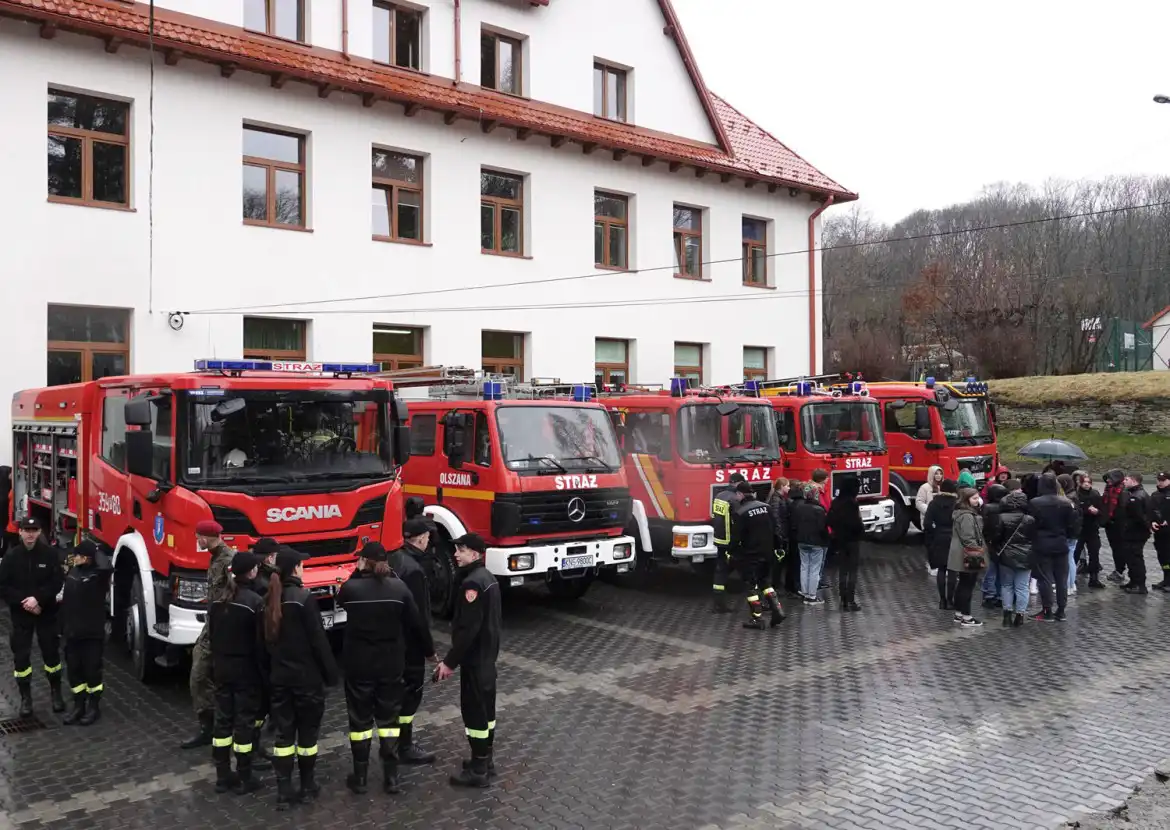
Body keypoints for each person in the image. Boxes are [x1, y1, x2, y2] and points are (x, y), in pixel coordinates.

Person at [337, 542, 435, 796]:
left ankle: (359, 778)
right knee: (389, 719)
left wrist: (358, 572)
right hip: (391, 665)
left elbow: (342, 598)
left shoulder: (351, 588)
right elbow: (418, 623)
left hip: (358, 665)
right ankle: (391, 778)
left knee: (359, 720)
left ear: (364, 562)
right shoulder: (399, 588)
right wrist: (430, 652)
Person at [264, 547, 339, 810]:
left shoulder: (270, 598)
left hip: (280, 681)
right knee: (307, 738)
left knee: (284, 737)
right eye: (301, 565)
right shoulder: (303, 599)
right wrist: (331, 675)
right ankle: (308, 786)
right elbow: (319, 642)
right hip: (306, 682)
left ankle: (284, 790)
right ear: (295, 568)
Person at [433, 533, 501, 788]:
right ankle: (486, 759)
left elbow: (468, 630)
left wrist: (449, 662)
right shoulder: (488, 578)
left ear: (475, 553)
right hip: (487, 659)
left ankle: (478, 769)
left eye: (461, 550)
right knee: (487, 712)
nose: (455, 554)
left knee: (474, 715)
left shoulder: (471, 584)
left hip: (474, 661)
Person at [208, 552, 267, 794]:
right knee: (244, 722)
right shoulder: (254, 603)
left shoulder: (218, 601)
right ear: (251, 572)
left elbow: (212, 637)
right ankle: (245, 776)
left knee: (222, 722)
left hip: (221, 669)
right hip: (245, 672)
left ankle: (223, 775)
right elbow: (260, 644)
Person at [0, 517, 66, 717]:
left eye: (34, 530)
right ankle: (25, 699)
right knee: (21, 658)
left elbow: (56, 582)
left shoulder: (50, 555)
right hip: (21, 615)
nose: (30, 534)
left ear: (39, 532)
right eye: (26, 530)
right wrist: (25, 603)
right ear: (19, 532)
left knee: (51, 655)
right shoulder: (11, 557)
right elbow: (3, 587)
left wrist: (38, 600)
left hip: (45, 613)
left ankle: (56, 694)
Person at [182, 520, 236, 750]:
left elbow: (238, 591)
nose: (197, 541)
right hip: (212, 626)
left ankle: (224, 727)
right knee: (199, 675)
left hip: (224, 628)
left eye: (198, 537)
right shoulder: (215, 557)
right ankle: (209, 727)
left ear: (206, 537)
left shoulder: (228, 560)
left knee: (207, 676)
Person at [391, 519, 437, 763]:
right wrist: (429, 650)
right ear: (420, 539)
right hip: (411, 646)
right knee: (411, 695)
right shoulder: (415, 571)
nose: (429, 542)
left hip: (394, 642)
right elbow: (418, 617)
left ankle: (394, 744)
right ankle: (404, 747)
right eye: (427, 538)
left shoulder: (395, 558)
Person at [61, 540, 111, 725]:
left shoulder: (98, 576)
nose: (75, 558)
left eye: (79, 555)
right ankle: (78, 706)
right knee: (74, 672)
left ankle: (93, 707)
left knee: (92, 672)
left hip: (91, 634)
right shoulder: (74, 573)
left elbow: (106, 566)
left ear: (88, 558)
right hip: (72, 633)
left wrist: (95, 550)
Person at [734, 482, 786, 629]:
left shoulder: (741, 512)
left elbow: (736, 537)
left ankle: (757, 619)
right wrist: (778, 547)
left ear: (740, 494)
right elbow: (776, 529)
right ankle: (778, 610)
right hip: (767, 553)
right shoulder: (766, 507)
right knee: (765, 582)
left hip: (750, 555)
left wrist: (731, 552)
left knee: (751, 586)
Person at [1030, 472, 1079, 620]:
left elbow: (1031, 524)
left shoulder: (1035, 502)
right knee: (1061, 578)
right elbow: (1072, 526)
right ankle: (1061, 610)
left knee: (1045, 578)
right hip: (1061, 542)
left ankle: (1047, 610)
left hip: (1042, 543)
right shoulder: (1066, 503)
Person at [987, 490, 1034, 627]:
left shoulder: (1001, 517)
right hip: (1025, 556)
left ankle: (1006, 615)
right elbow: (1033, 538)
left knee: (1006, 585)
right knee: (1022, 587)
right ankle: (1020, 615)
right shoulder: (1030, 519)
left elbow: (996, 537)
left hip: (1006, 555)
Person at [948, 488, 986, 627]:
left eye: (978, 498)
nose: (978, 501)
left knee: (963, 584)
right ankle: (967, 616)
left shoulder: (962, 513)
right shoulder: (967, 516)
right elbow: (968, 537)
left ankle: (959, 614)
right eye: (974, 498)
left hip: (960, 552)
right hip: (968, 553)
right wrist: (977, 552)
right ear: (966, 500)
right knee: (967, 585)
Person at [826, 476, 864, 612]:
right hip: (853, 540)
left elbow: (829, 520)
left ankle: (843, 600)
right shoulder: (853, 503)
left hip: (840, 539)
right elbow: (856, 523)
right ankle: (851, 600)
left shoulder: (836, 502)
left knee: (842, 570)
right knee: (852, 571)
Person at [711, 473, 747, 613]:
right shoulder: (734, 499)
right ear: (738, 483)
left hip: (719, 539)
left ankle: (718, 603)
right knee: (744, 570)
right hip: (731, 541)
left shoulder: (719, 496)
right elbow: (738, 521)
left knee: (720, 571)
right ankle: (756, 601)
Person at [792, 482, 829, 605]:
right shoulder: (819, 510)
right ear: (816, 495)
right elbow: (822, 528)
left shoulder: (799, 507)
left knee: (804, 566)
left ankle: (805, 592)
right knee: (814, 569)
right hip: (816, 543)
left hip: (801, 541)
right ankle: (812, 596)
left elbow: (794, 525)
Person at [924, 479, 959, 609]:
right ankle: (950, 600)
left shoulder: (934, 503)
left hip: (939, 537)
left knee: (941, 569)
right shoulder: (957, 504)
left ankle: (942, 600)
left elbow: (927, 524)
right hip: (954, 538)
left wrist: (933, 534)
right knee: (953, 570)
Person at [1118, 473, 1152, 595]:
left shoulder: (1136, 497)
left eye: (1126, 479)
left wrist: (1146, 528)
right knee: (1131, 557)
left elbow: (1139, 517)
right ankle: (1133, 582)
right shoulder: (1137, 493)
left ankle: (1140, 585)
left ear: (1134, 481)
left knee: (1135, 559)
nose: (1124, 482)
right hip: (1135, 532)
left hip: (1135, 533)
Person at [1073, 471, 1105, 590]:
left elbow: (1102, 511)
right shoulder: (1076, 495)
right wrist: (1087, 510)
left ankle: (1094, 578)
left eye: (1089, 482)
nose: (1087, 484)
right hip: (1080, 529)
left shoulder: (1095, 494)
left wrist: (1097, 512)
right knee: (1075, 554)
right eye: (1084, 482)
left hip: (1092, 529)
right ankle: (1071, 577)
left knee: (1094, 554)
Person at [980, 484, 1008, 608]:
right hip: (1003, 543)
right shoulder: (1006, 508)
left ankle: (989, 595)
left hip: (989, 542)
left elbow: (983, 526)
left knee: (990, 570)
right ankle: (1000, 596)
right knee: (1001, 571)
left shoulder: (987, 507)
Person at [916, 465, 944, 574]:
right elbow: (918, 502)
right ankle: (931, 565)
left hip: (940, 521)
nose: (938, 476)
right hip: (929, 521)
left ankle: (937, 564)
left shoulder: (942, 487)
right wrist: (930, 511)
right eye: (936, 473)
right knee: (930, 544)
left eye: (940, 473)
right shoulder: (925, 487)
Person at [1056, 473, 1081, 597]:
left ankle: (1068, 585)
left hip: (1069, 533)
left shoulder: (1069, 499)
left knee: (1068, 559)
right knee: (1069, 558)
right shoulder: (1072, 495)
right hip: (1073, 533)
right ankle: (1071, 584)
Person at [1101, 469, 1126, 583]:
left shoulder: (1122, 491)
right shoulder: (1109, 489)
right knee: (1115, 548)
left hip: (1119, 524)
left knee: (1119, 548)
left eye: (1110, 478)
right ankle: (1118, 569)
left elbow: (1123, 509)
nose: (1108, 481)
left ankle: (1120, 570)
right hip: (1110, 523)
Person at [767, 478, 791, 592]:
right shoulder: (776, 499)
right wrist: (780, 535)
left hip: (779, 533)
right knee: (778, 560)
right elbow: (776, 518)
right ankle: (776, 583)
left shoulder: (778, 498)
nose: (789, 488)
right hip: (779, 535)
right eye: (787, 486)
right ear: (781, 486)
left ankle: (776, 582)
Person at [784, 481, 805, 596]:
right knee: (797, 563)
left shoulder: (790, 502)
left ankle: (789, 585)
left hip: (791, 536)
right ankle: (795, 586)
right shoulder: (801, 504)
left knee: (791, 562)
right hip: (798, 537)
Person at [1151, 472, 1170, 591]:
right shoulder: (1155, 495)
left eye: (1163, 480)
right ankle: (1166, 578)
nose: (1160, 482)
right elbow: (1150, 511)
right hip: (1159, 532)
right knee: (1163, 557)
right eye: (1158, 480)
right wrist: (1152, 521)